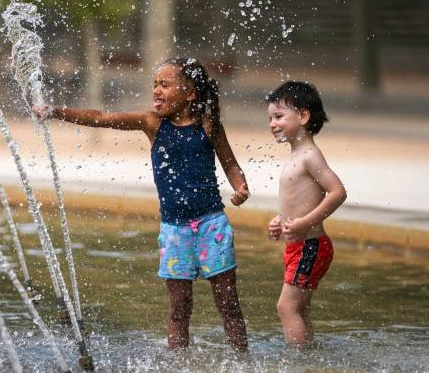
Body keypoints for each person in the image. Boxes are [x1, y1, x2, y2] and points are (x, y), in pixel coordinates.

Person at [34, 57, 250, 351]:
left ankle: (242, 359)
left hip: (213, 224)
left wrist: (240, 187)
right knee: (179, 306)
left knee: (227, 303)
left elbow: (231, 164)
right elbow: (100, 117)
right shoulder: (152, 123)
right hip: (174, 230)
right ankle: (178, 365)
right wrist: (56, 111)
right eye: (154, 84)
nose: (156, 90)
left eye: (165, 84)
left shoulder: (209, 126)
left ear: (189, 93)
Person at [266, 81, 347, 345]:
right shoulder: (295, 155)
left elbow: (337, 192)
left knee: (286, 307)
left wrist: (304, 223)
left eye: (278, 116)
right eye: (270, 118)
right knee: (299, 309)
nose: (272, 123)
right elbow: (299, 201)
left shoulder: (310, 155)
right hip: (300, 246)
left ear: (302, 116)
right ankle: (308, 355)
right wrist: (282, 220)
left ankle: (298, 365)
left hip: (310, 246)